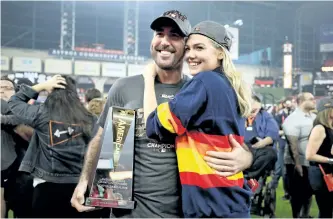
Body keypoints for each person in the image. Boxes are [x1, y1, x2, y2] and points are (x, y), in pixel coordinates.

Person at [71, 10, 253, 218]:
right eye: (159, 34)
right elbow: (102, 139)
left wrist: (246, 158)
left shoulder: (199, 88)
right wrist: (85, 180)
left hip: (185, 211)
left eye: (174, 35)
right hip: (130, 213)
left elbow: (231, 140)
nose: (164, 41)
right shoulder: (124, 88)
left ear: (185, 46)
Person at [144, 20, 252, 218]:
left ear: (220, 53)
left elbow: (153, 126)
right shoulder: (228, 85)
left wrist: (148, 78)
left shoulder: (205, 80)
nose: (191, 55)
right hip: (229, 200)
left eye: (199, 48)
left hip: (211, 204)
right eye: (188, 48)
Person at [8, 75, 100, 218]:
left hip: (47, 187)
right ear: (75, 94)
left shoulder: (41, 114)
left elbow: (14, 102)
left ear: (51, 93)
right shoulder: (90, 118)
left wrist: (41, 85)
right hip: (80, 188)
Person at [282, 92, 316, 218]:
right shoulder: (293, 119)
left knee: (308, 192)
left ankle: (305, 215)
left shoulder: (313, 117)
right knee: (297, 194)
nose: (314, 101)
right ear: (301, 102)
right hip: (297, 162)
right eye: (311, 99)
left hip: (310, 161)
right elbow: (292, 144)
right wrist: (297, 164)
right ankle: (296, 216)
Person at [306, 97, 333, 218]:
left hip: (328, 173)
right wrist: (330, 160)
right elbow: (310, 155)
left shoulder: (329, 128)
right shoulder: (319, 129)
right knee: (326, 211)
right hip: (322, 175)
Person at [243, 94, 278, 180]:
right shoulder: (239, 115)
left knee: (271, 153)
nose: (255, 113)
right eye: (253, 110)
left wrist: (262, 143)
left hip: (259, 149)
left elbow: (272, 133)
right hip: (241, 147)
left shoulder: (265, 116)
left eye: (257, 110)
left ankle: (249, 175)